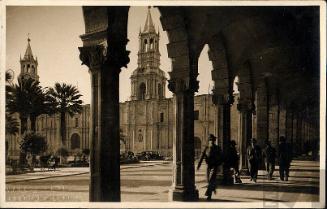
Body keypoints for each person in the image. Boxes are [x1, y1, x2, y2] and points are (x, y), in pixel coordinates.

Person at [197, 134, 223, 200]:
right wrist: (198, 165)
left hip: (214, 166)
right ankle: (213, 187)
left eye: (212, 140)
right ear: (208, 141)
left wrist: (219, 164)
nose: (211, 141)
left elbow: (221, 157)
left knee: (211, 180)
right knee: (208, 181)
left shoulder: (217, 148)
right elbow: (201, 157)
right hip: (208, 166)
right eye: (210, 140)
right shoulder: (206, 148)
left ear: (214, 141)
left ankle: (209, 195)